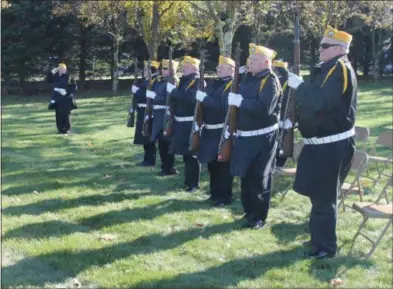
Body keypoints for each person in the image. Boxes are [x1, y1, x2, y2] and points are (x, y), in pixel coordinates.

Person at [287, 26, 357, 259]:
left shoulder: (340, 70)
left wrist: (300, 86)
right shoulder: (326, 69)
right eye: (320, 45)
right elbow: (311, 106)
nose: (320, 50)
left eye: (325, 46)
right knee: (317, 194)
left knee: (325, 197)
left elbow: (321, 102)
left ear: (340, 49)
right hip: (319, 144)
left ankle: (326, 248)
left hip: (332, 145)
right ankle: (318, 239)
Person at [228, 43, 282, 229]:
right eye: (250, 60)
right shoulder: (248, 78)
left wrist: (241, 102)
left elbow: (264, 109)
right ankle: (248, 211)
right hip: (245, 135)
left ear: (266, 62)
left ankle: (259, 217)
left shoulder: (270, 81)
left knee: (260, 177)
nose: (250, 62)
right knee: (245, 176)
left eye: (255, 60)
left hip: (263, 137)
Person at [195, 56, 235, 207]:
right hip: (209, 129)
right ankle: (214, 193)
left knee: (223, 165)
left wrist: (205, 99)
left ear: (232, 69)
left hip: (222, 129)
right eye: (218, 67)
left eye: (223, 67)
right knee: (212, 164)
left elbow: (224, 106)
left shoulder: (232, 85)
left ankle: (224, 197)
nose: (219, 69)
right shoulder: (213, 83)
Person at [167, 56, 201, 192]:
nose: (183, 69)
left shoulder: (197, 81)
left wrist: (173, 91)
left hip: (190, 122)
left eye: (186, 67)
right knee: (186, 155)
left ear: (193, 67)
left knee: (192, 155)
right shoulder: (185, 81)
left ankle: (194, 184)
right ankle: (188, 182)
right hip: (181, 122)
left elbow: (190, 98)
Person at [146, 59, 180, 176]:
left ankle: (170, 168)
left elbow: (168, 99)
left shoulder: (172, 81)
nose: (162, 71)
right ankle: (165, 167)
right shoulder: (162, 81)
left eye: (165, 69)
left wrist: (154, 96)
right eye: (162, 69)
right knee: (162, 143)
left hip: (166, 115)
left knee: (167, 143)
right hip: (159, 116)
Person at [131, 60, 160, 167]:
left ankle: (150, 160)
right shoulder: (148, 80)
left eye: (146, 69)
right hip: (142, 111)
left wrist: (137, 91)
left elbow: (148, 96)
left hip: (149, 111)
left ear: (151, 70)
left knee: (149, 137)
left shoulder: (154, 81)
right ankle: (146, 159)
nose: (144, 71)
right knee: (144, 136)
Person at [47, 63, 77, 135]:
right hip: (57, 98)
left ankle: (67, 130)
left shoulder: (69, 77)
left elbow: (74, 87)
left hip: (66, 98)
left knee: (66, 114)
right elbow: (48, 80)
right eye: (60, 69)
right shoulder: (55, 76)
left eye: (62, 69)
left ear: (65, 69)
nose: (61, 70)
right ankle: (60, 130)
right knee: (58, 114)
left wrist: (66, 92)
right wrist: (51, 73)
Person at [272, 60, 290, 167]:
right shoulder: (277, 80)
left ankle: (280, 162)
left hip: (284, 115)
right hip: (278, 114)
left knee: (283, 140)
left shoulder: (287, 81)